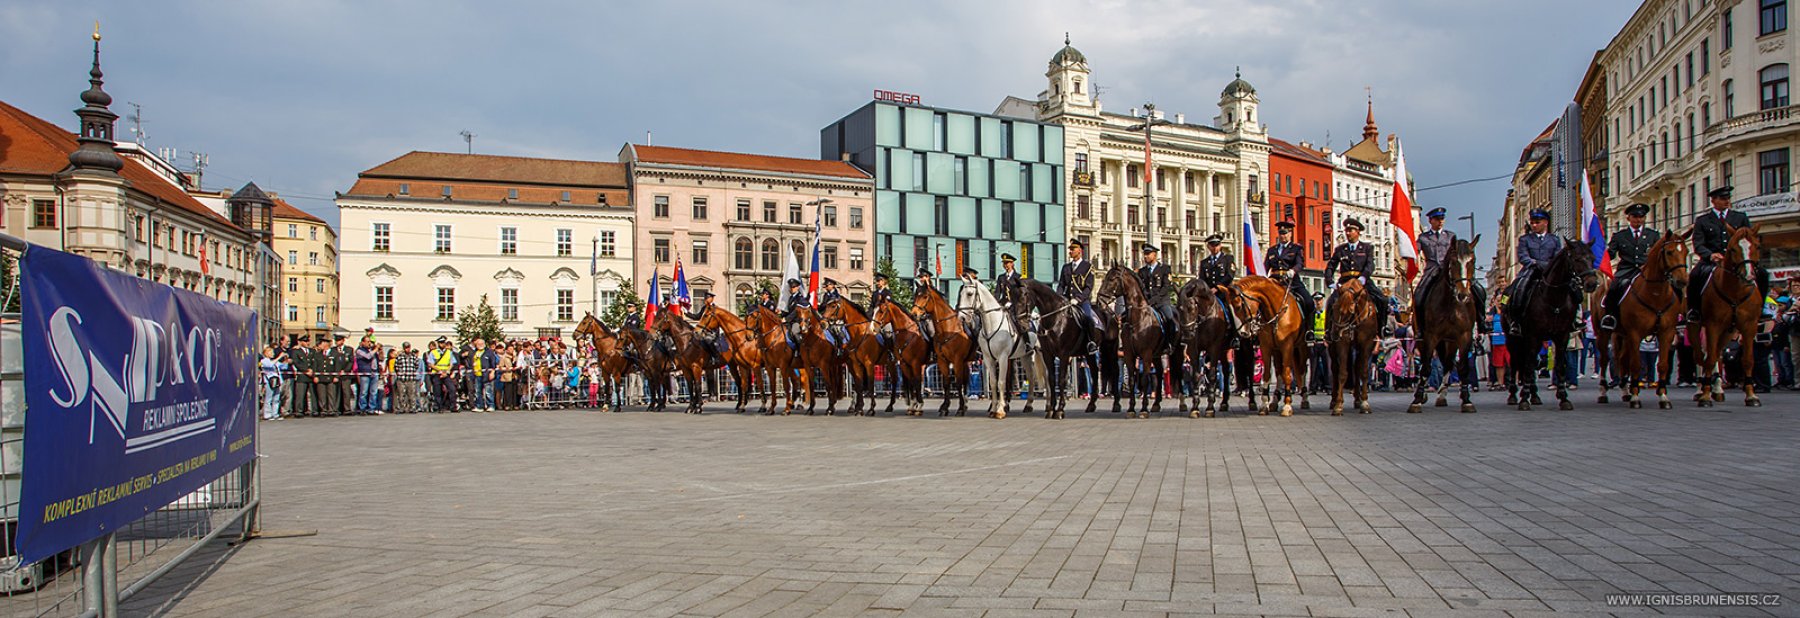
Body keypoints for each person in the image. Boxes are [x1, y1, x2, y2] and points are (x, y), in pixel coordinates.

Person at [1688, 185, 1768, 320]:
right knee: (1695, 276)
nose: (1727, 201)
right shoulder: (1702, 220)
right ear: (1713, 200)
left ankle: (1761, 308)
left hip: (1738, 261)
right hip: (1712, 261)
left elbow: (1749, 238)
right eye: (1723, 198)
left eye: (1728, 198)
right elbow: (1698, 244)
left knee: (1763, 274)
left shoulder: (1740, 217)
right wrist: (1710, 255)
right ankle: (1694, 309)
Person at [1415, 207, 1490, 333]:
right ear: (1430, 220)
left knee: (1479, 290)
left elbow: (1459, 253)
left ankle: (1481, 322)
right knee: (1418, 296)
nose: (1440, 221)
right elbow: (1415, 250)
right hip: (1432, 270)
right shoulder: (1423, 238)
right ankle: (1421, 328)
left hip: (1452, 270)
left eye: (1442, 219)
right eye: (1437, 219)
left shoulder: (1451, 236)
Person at [1324, 218, 1392, 335]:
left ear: (1358, 232)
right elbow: (1330, 266)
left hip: (1362, 281)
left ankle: (1382, 327)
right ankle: (1328, 331)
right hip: (1345, 282)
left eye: (1351, 230)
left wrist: (1363, 277)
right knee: (1331, 302)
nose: (1348, 233)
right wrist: (1330, 282)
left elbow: (1370, 265)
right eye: (1347, 230)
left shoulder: (1367, 248)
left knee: (1382, 300)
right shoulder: (1340, 249)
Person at [1600, 203, 1662, 331]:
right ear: (1628, 218)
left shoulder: (1653, 235)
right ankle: (1610, 316)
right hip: (1626, 270)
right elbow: (1611, 254)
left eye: (1641, 217)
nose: (1638, 219)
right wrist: (1599, 258)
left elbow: (1659, 254)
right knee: (1613, 288)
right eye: (1635, 216)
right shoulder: (1619, 236)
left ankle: (1672, 315)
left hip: (1646, 270)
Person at [1504, 208, 1563, 335]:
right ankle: (1515, 321)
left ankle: (1575, 319)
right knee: (1516, 289)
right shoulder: (1525, 239)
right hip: (1531, 271)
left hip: (1550, 272)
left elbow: (1558, 257)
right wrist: (1535, 263)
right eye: (1532, 222)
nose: (1534, 225)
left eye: (1537, 222)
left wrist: (1548, 265)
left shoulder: (1554, 239)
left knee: (1571, 287)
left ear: (1545, 222)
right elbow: (1523, 257)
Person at [1264, 221, 1318, 339]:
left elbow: (1300, 263)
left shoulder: (1296, 248)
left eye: (1285, 233)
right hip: (1274, 281)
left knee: (1309, 302)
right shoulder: (1272, 250)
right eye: (1280, 233)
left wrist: (1293, 271)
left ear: (1290, 234)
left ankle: (1309, 330)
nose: (1282, 236)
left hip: (1291, 281)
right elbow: (1266, 266)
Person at [1058, 239, 1099, 354]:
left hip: (1081, 301)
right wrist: (1058, 297)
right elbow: (1061, 285)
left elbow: (1088, 287)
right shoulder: (1066, 267)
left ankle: (1091, 343)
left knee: (1088, 318)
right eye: (1070, 249)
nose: (1070, 251)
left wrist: (1078, 299)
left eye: (1073, 249)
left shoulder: (1088, 267)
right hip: (1067, 301)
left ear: (1080, 251)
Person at [1138, 243, 1176, 343]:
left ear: (1154, 255)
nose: (1145, 256)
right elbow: (1142, 288)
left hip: (1161, 302)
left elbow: (1166, 287)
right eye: (1144, 254)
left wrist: (1154, 300)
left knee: (1170, 319)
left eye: (1148, 254)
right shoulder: (1142, 271)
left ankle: (1171, 342)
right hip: (1146, 303)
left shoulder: (1165, 269)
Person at [288, 334, 316, 418]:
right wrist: (305, 370)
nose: (307, 343)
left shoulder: (312, 351)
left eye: (308, 341)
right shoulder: (296, 351)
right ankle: (299, 410)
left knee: (313, 394)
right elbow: (297, 363)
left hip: (311, 375)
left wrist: (312, 370)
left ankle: (314, 410)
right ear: (301, 342)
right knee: (300, 394)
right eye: (305, 341)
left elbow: (315, 362)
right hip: (302, 375)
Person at [427, 337, 457, 412]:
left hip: (446, 374)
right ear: (438, 344)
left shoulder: (449, 352)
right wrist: (440, 371)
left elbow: (452, 363)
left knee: (452, 389)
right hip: (437, 373)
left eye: (443, 343)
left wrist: (447, 371)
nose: (442, 344)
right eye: (441, 343)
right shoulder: (433, 352)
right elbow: (430, 364)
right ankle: (439, 407)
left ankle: (453, 406)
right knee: (437, 391)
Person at [259, 346, 288, 421]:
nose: (273, 354)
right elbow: (270, 365)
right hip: (269, 381)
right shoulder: (264, 361)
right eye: (271, 352)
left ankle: (275, 413)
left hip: (277, 381)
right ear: (266, 353)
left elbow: (284, 367)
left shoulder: (275, 361)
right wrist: (279, 357)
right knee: (269, 398)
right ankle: (267, 414)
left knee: (276, 398)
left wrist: (286, 359)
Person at [470, 337, 498, 412]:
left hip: (486, 374)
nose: (480, 345)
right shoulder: (474, 352)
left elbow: (493, 363)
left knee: (488, 391)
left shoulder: (489, 352)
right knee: (478, 391)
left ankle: (490, 405)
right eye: (478, 344)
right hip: (477, 374)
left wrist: (492, 372)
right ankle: (479, 406)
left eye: (482, 343)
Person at [355, 336, 381, 414]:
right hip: (365, 373)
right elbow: (368, 356)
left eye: (370, 342)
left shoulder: (372, 350)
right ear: (362, 342)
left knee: (374, 392)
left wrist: (379, 350)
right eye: (367, 341)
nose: (369, 343)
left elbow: (380, 359)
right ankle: (362, 408)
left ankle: (372, 408)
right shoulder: (359, 350)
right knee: (364, 392)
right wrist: (375, 349)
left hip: (374, 372)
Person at [394, 342, 421, 413]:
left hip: (411, 378)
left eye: (408, 347)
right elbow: (396, 366)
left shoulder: (413, 356)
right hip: (401, 379)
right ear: (404, 348)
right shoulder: (399, 356)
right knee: (401, 394)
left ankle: (412, 408)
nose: (407, 349)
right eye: (406, 347)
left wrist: (412, 372)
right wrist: (400, 373)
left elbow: (416, 365)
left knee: (411, 394)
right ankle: (402, 408)